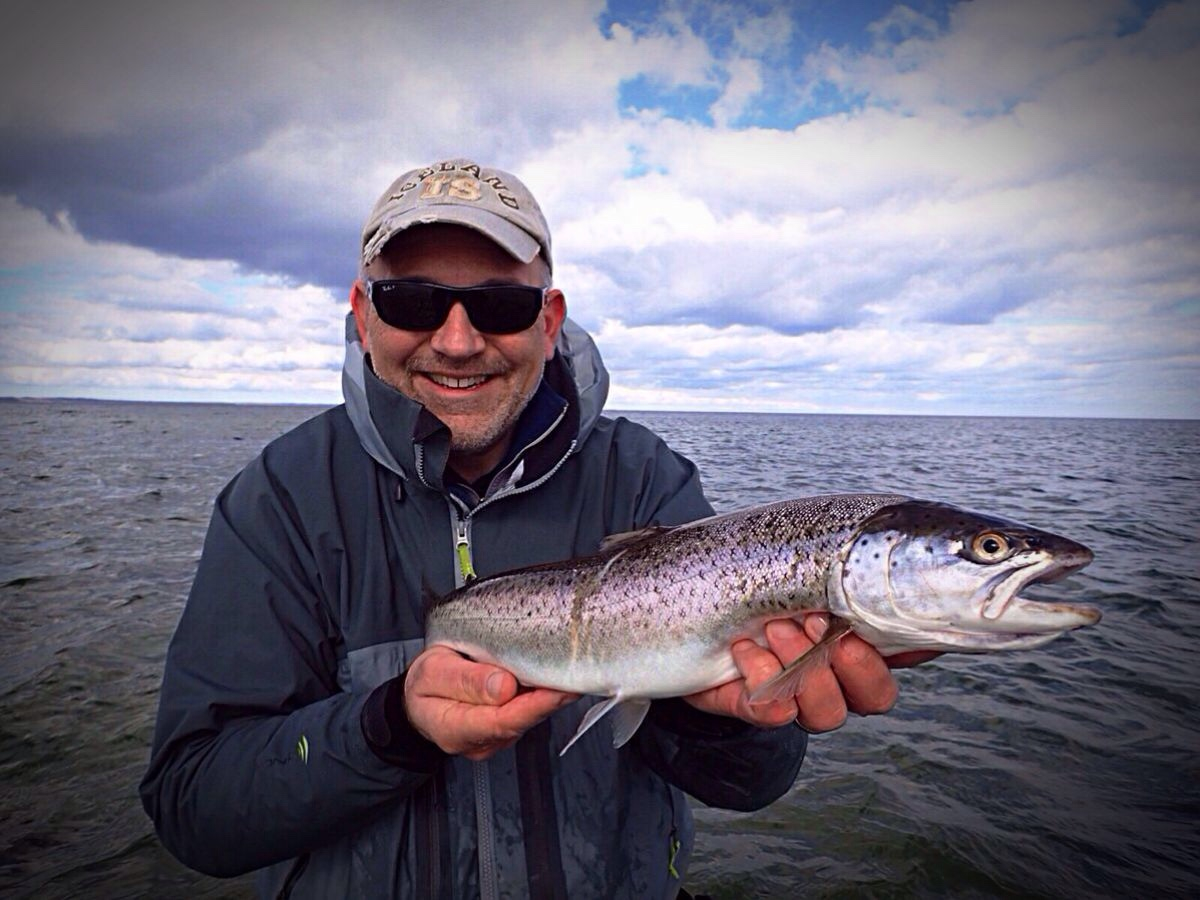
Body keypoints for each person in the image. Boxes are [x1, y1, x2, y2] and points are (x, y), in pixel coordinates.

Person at [140, 158, 912, 899]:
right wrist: (390, 725)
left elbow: (750, 784)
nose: (456, 339)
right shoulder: (278, 497)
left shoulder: (646, 477)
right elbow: (194, 807)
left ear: (549, 320)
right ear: (361, 312)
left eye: (500, 305)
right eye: (412, 300)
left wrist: (719, 715)